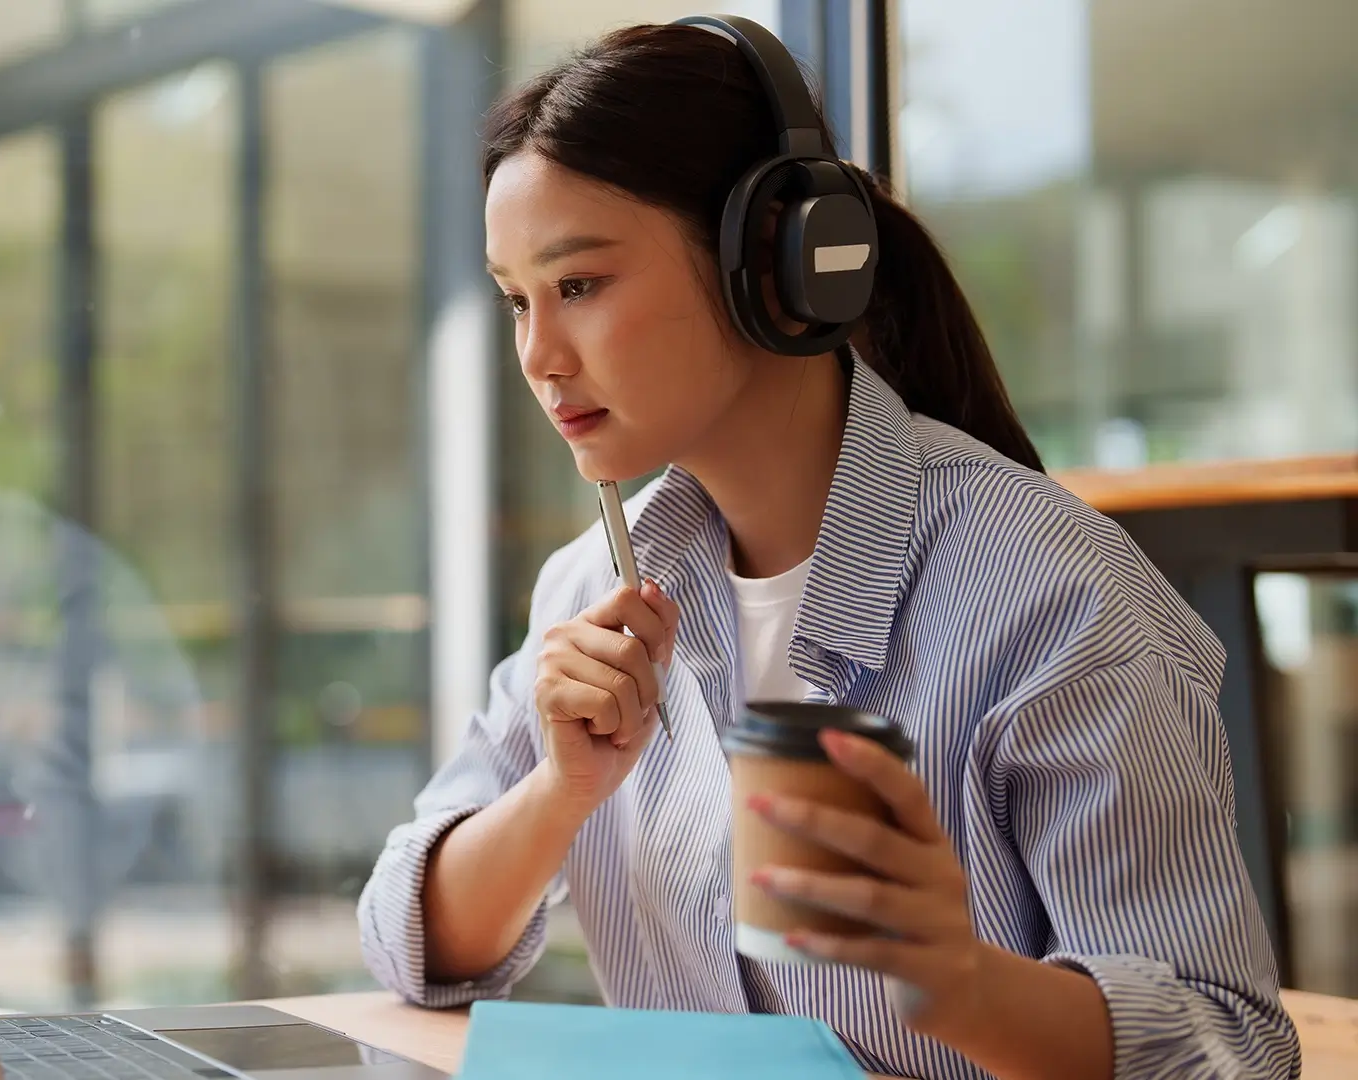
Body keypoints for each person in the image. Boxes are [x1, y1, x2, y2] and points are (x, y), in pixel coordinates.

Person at [356, 20, 1299, 1080]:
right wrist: (557, 795)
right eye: (516, 300)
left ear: (779, 261)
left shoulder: (1050, 595)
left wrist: (959, 984)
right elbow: (407, 942)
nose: (538, 354)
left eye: (579, 286)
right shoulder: (590, 588)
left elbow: (1229, 1045)